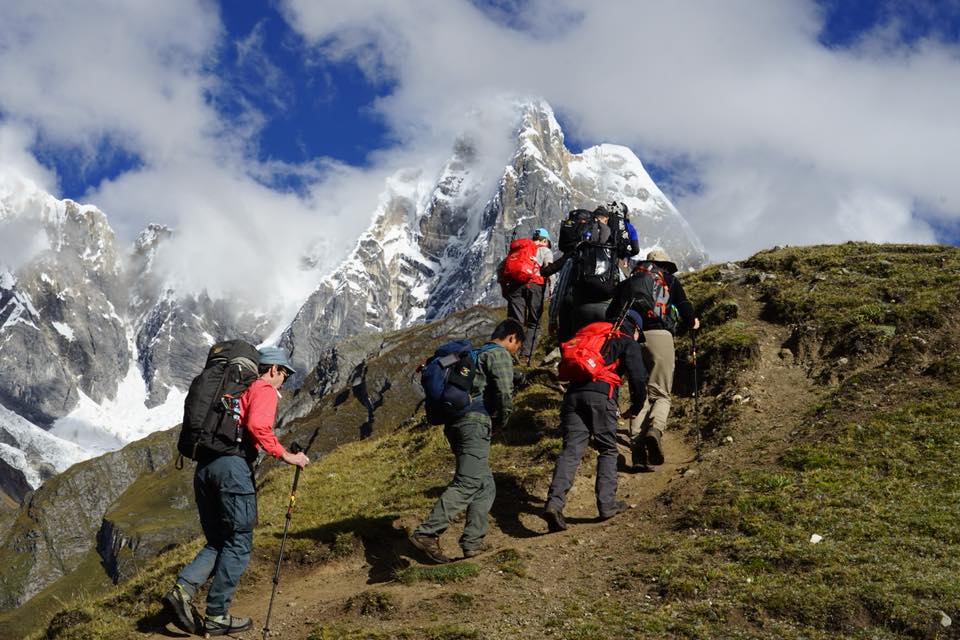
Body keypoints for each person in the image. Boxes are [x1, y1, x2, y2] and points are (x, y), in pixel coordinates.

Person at [162, 347, 310, 636]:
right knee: (239, 541)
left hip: (204, 469)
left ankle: (183, 590)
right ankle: (217, 615)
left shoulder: (228, 391)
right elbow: (257, 426)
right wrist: (287, 455)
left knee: (218, 539)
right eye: (285, 373)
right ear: (272, 369)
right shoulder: (263, 387)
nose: (285, 379)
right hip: (232, 470)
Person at [409, 319, 523, 563]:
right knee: (469, 482)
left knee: (485, 484)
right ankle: (427, 532)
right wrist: (503, 420)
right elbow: (504, 391)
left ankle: (473, 542)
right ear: (511, 338)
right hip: (475, 422)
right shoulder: (498, 354)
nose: (516, 352)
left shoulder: (472, 355)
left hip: (455, 423)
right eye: (518, 347)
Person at [543, 311, 648, 532]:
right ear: (636, 329)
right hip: (601, 396)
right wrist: (637, 407)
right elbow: (638, 378)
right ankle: (607, 504)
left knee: (571, 450)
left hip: (573, 395)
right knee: (608, 449)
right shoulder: (627, 341)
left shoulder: (594, 335)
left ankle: (554, 503)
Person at [607, 249, 699, 468]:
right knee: (662, 393)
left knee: (640, 394)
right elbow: (684, 306)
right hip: (661, 335)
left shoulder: (629, 282)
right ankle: (655, 430)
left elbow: (611, 312)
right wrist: (693, 321)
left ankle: (638, 453)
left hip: (632, 338)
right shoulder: (669, 280)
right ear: (664, 265)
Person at [503, 228, 567, 360]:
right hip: (535, 286)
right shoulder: (545, 250)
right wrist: (551, 291)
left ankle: (509, 352)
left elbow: (502, 269)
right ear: (544, 240)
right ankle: (525, 355)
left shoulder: (519, 249)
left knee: (515, 321)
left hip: (516, 286)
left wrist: (505, 290)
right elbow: (550, 270)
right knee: (534, 323)